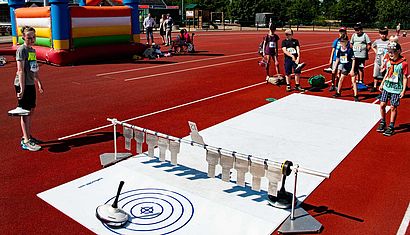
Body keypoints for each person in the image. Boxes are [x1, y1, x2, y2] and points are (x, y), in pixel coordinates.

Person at [10, 26, 44, 151]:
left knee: (31, 110)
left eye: (33, 37)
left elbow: (33, 68)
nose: (32, 39)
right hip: (22, 84)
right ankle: (26, 140)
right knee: (25, 112)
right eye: (29, 37)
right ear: (23, 37)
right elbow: (20, 71)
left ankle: (27, 135)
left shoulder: (32, 51)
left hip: (30, 84)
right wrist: (22, 89)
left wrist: (39, 82)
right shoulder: (21, 50)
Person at [377, 42, 408, 136]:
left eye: (392, 52)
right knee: (382, 105)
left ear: (398, 51)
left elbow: (405, 77)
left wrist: (403, 90)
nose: (390, 54)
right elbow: (387, 73)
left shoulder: (403, 64)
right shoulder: (389, 62)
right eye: (389, 52)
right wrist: (382, 83)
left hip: (396, 89)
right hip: (387, 87)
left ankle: (391, 126)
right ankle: (383, 122)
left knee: (393, 107)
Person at [327, 27, 349, 91]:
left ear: (345, 32)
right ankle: (333, 84)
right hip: (335, 58)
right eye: (340, 32)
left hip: (342, 59)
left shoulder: (347, 41)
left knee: (339, 72)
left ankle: (337, 85)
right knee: (333, 72)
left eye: (343, 32)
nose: (341, 33)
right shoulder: (336, 40)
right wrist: (331, 59)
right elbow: (333, 50)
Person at [370, 27, 389, 92]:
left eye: (384, 34)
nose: (383, 35)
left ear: (387, 34)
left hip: (386, 61)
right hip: (377, 61)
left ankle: (384, 86)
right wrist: (376, 51)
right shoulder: (377, 41)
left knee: (385, 74)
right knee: (375, 74)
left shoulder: (388, 42)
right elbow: (372, 46)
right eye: (381, 34)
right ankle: (375, 86)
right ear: (379, 34)